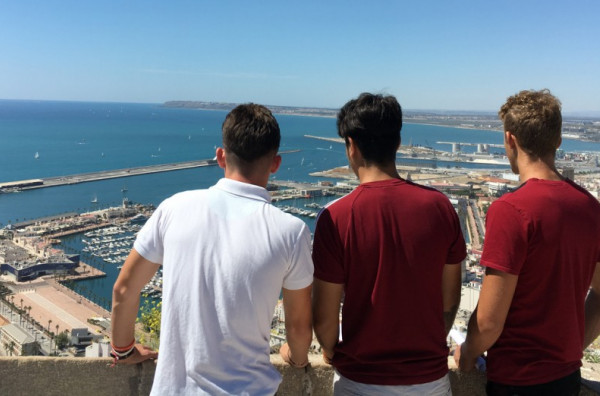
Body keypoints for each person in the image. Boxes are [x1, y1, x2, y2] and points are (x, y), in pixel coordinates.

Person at [110, 103, 314, 395]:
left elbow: (124, 290)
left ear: (220, 156)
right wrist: (297, 357)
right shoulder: (292, 231)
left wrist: (123, 350)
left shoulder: (173, 208)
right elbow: (297, 327)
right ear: (275, 163)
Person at [312, 93, 466, 395]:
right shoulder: (440, 207)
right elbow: (449, 302)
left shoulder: (336, 217)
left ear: (351, 147)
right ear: (398, 143)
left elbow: (325, 318)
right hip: (429, 382)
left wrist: (330, 349)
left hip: (359, 382)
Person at [456, 89, 600, 395]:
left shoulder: (511, 210)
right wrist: (571, 351)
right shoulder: (590, 208)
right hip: (566, 380)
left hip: (516, 381)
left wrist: (467, 354)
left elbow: (490, 322)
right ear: (558, 141)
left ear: (510, 140)